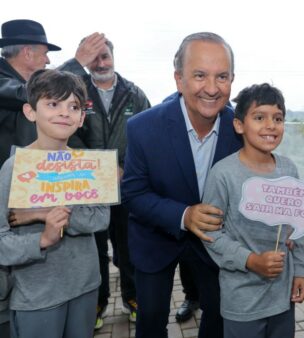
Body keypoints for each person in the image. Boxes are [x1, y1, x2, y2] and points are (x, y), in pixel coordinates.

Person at [121, 32, 243, 338]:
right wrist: (184, 215)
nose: (212, 88)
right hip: (156, 238)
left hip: (216, 244)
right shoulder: (143, 128)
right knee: (150, 321)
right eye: (200, 75)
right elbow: (134, 194)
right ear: (179, 79)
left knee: (219, 316)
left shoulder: (241, 130)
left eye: (222, 76)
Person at [0, 69, 109, 338]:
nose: (64, 112)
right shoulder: (14, 168)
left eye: (73, 106)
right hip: (37, 295)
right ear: (30, 111)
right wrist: (42, 240)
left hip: (85, 286)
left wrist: (42, 211)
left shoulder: (90, 165)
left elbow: (100, 219)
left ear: (82, 117)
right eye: (52, 104)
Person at [201, 83, 304, 338]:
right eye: (259, 117)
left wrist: (301, 271)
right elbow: (211, 235)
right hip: (242, 301)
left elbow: (298, 227)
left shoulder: (289, 170)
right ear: (239, 125)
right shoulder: (223, 174)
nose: (271, 125)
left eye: (278, 118)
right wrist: (251, 261)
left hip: (283, 298)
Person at [66, 37, 150, 329]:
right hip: (89, 187)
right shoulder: (75, 93)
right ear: (87, 61)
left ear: (113, 57)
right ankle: (98, 303)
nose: (101, 63)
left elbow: (147, 137)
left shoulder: (134, 93)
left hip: (126, 186)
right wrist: (94, 167)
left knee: (128, 246)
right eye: (95, 58)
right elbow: (66, 132)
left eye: (105, 56)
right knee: (95, 248)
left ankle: (133, 298)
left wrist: (125, 167)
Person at [0, 19, 106, 167]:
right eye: (45, 53)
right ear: (27, 53)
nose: (48, 60)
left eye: (74, 107)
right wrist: (76, 63)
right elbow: (32, 92)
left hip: (38, 174)